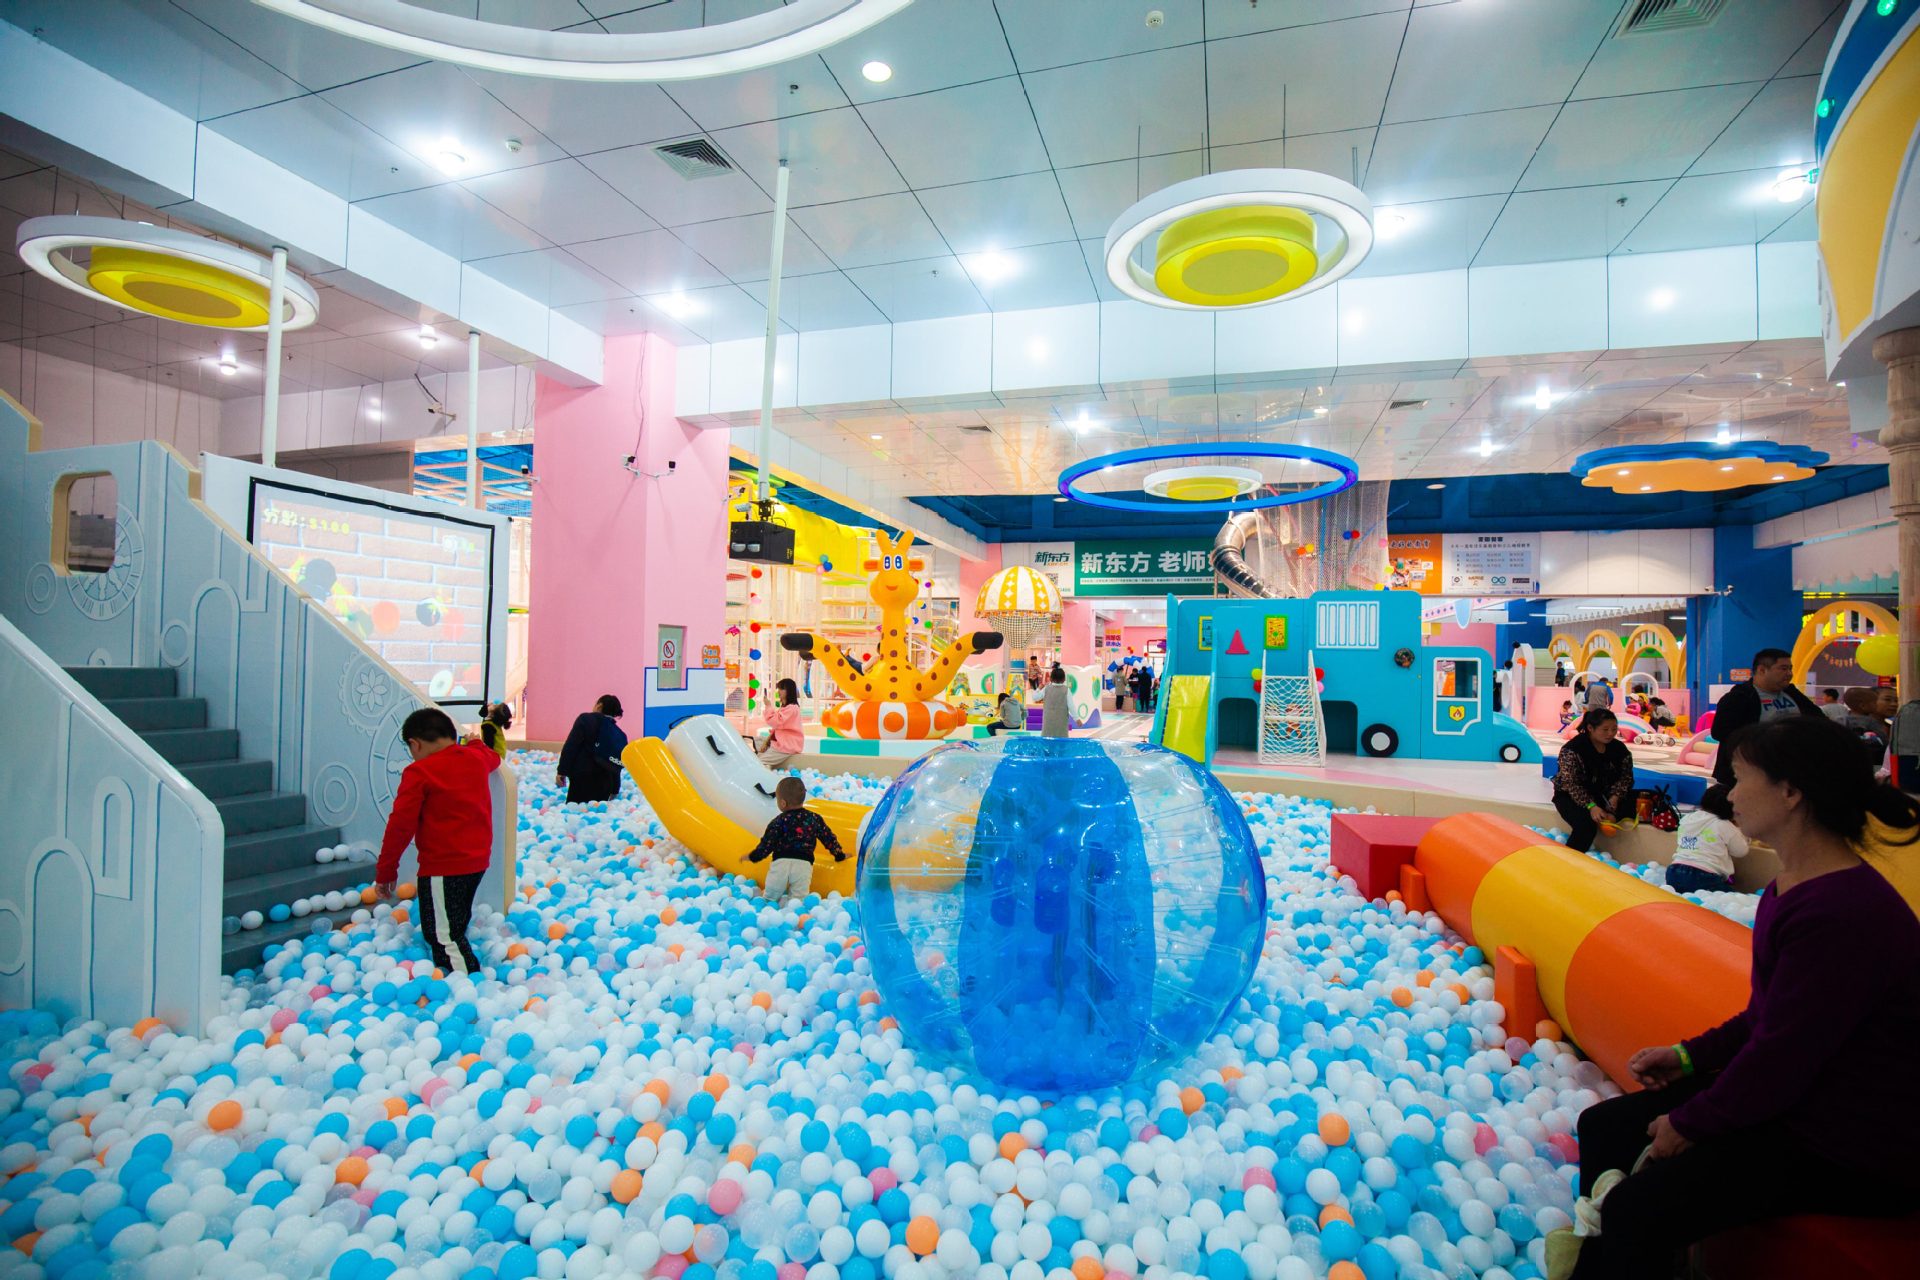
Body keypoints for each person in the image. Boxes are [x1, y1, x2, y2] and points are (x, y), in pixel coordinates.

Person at [1551, 715, 1920, 1280]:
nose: (1727, 793)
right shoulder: (1789, 888)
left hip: (1852, 1141)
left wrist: (1694, 1121)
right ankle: (1599, 1252)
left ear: (1792, 792)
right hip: (1807, 1098)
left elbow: (1785, 1058)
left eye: (1742, 778)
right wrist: (1688, 1057)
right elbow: (1767, 1018)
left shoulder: (1843, 913)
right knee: (1605, 1128)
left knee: (1638, 1209)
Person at [374, 708, 502, 977]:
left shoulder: (419, 772)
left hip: (444, 866)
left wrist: (386, 871)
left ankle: (466, 986)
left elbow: (400, 826)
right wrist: (476, 740)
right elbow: (493, 757)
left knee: (443, 936)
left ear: (415, 744)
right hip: (477, 861)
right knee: (454, 918)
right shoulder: (475, 758)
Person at [1709, 648, 1821, 785]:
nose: (1789, 674)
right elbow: (1720, 732)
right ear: (1762, 670)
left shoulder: (1792, 694)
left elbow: (1819, 720)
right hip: (1748, 776)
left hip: (1789, 772)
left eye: (1790, 669)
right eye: (1783, 669)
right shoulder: (1738, 698)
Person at [747, 776, 847, 902]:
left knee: (770, 897)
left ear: (783, 803)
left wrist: (754, 856)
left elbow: (767, 843)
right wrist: (839, 855)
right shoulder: (814, 818)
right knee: (798, 899)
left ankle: (768, 905)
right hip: (803, 864)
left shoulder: (778, 821)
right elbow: (828, 838)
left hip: (781, 863)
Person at [1552, 708, 1633, 853]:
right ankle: (1569, 861)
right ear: (1590, 728)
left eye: (1614, 729)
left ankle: (1611, 815)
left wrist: (1615, 797)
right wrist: (1591, 806)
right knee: (1586, 826)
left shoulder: (1619, 749)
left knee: (1640, 803)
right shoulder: (1572, 750)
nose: (1610, 734)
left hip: (1605, 794)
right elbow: (1571, 783)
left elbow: (1626, 777)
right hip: (1572, 797)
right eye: (1605, 729)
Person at [1666, 784, 1747, 894]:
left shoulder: (1688, 819)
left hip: (1674, 871)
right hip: (1703, 876)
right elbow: (1741, 851)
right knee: (1732, 897)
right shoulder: (1724, 825)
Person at [556, 694, 627, 803]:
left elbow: (571, 746)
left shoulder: (585, 719)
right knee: (597, 814)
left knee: (576, 811)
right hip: (605, 782)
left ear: (599, 705)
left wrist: (562, 771)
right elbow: (616, 764)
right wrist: (615, 788)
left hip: (582, 777)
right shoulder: (620, 734)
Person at [757, 677, 804, 770]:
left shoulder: (792, 708)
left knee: (758, 762)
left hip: (786, 747)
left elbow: (774, 722)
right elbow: (777, 728)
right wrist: (767, 742)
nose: (779, 691)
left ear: (789, 691)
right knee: (754, 741)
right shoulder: (786, 708)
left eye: (782, 689)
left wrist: (768, 706)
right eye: (779, 688)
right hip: (781, 744)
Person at [1041, 665, 1069, 738]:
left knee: (1047, 740)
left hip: (1048, 720)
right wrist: (1077, 718)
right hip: (1061, 720)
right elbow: (1071, 706)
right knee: (1061, 740)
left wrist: (1038, 688)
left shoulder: (1046, 689)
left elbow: (1035, 697)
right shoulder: (1066, 690)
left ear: (1051, 678)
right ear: (1064, 679)